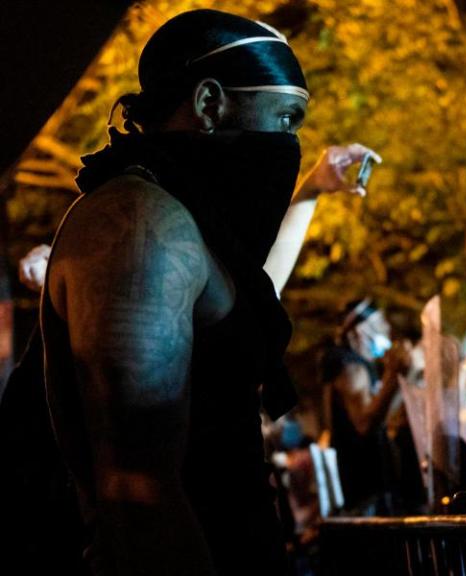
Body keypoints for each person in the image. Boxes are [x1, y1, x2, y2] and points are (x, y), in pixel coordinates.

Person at [40, 10, 377, 574]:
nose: (289, 141)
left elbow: (248, 294)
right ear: (209, 104)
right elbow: (138, 498)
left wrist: (312, 192)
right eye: (286, 118)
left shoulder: (176, 219)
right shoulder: (139, 225)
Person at [319, 298, 420, 514]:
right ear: (359, 330)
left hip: (376, 485)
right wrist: (394, 373)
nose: (386, 328)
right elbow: (365, 424)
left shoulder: (362, 365)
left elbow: (383, 417)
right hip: (364, 488)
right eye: (379, 323)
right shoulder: (349, 366)